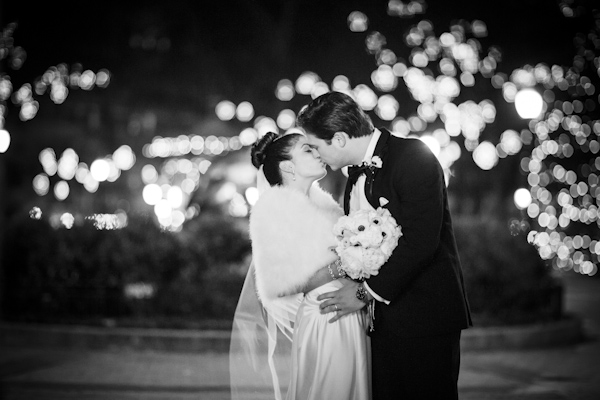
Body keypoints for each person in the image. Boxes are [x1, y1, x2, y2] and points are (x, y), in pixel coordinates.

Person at [296, 91, 473, 400]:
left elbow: (422, 241)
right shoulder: (353, 178)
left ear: (339, 139)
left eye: (316, 146)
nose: (316, 154)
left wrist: (365, 293)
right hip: (381, 325)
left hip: (425, 318)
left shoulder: (414, 157)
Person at [229, 131, 371, 400]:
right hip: (324, 317)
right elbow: (278, 285)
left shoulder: (326, 207)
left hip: (351, 314)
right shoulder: (272, 210)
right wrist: (341, 267)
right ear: (288, 166)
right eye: (308, 150)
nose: (318, 152)